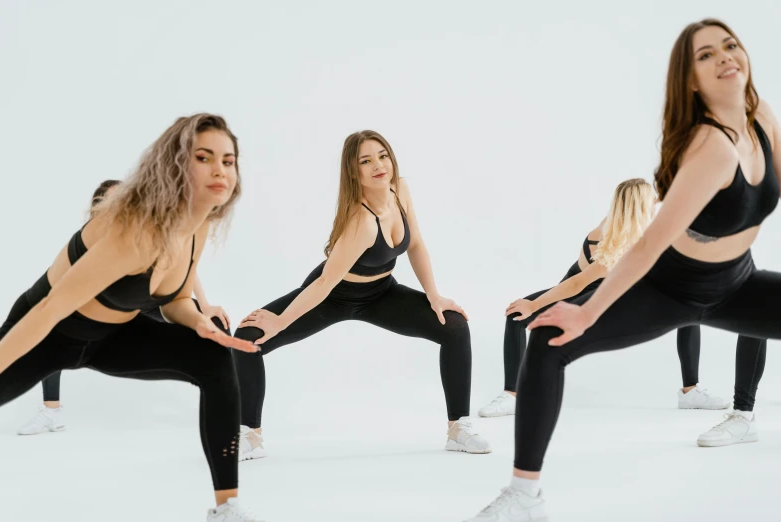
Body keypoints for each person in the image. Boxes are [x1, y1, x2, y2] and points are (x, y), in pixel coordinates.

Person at [466, 19, 780, 520]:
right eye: (705, 55)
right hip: (673, 287)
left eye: (729, 45)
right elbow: (650, 243)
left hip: (737, 283)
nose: (724, 57)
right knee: (549, 341)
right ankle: (524, 496)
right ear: (691, 81)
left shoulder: (762, 118)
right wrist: (585, 314)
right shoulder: (710, 147)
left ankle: (744, 415)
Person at [0, 114, 262, 521]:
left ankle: (227, 507)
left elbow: (175, 299)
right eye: (204, 157)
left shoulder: (198, 225)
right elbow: (49, 309)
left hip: (112, 337)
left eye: (228, 161)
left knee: (212, 356)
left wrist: (199, 322)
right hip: (49, 333)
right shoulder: (136, 229)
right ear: (176, 163)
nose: (220, 170)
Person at [232, 130, 489, 461]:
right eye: (365, 161)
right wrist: (280, 321)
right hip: (334, 295)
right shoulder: (362, 222)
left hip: (381, 293)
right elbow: (324, 283)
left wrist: (434, 296)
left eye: (382, 156)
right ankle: (250, 436)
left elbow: (417, 245)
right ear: (354, 172)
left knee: (454, 326)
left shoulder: (401, 190)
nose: (378, 165)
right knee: (247, 339)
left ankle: (458, 430)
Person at [478, 179, 766, 418]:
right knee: (516, 314)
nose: (657, 204)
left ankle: (690, 392)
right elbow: (577, 283)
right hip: (579, 292)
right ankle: (511, 394)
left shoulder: (646, 230)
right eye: (652, 200)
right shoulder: (609, 238)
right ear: (639, 207)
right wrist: (534, 305)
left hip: (615, 293)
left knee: (688, 314)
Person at [17, 179, 234, 436]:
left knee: (216, 325)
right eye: (113, 201)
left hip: (153, 303)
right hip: (113, 309)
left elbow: (186, 269)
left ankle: (225, 403)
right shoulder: (92, 240)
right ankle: (52, 412)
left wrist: (205, 306)